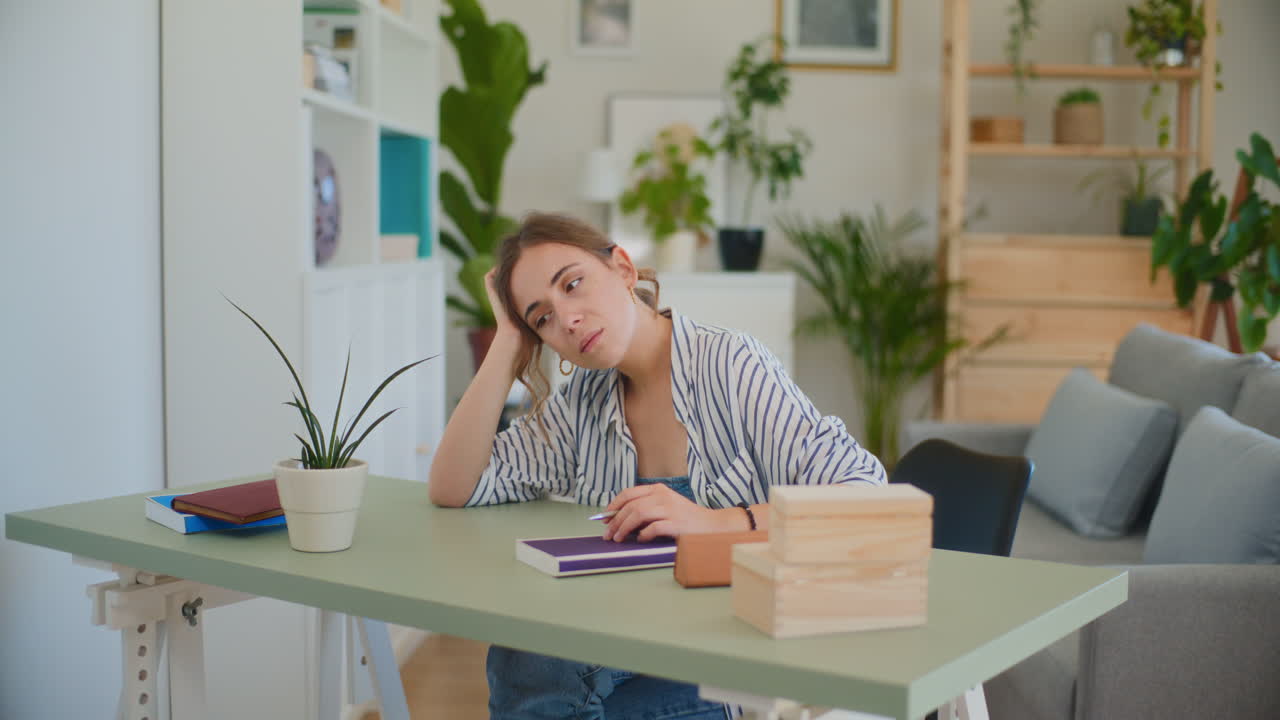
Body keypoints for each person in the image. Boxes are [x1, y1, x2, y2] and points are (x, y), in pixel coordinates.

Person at [429, 212, 886, 720]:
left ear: (623, 268)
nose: (568, 319)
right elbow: (455, 485)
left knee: (541, 672)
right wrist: (508, 343)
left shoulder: (730, 364)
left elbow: (865, 497)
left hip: (731, 657)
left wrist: (714, 523)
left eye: (573, 284)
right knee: (524, 652)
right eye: (542, 318)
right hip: (630, 644)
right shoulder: (583, 399)